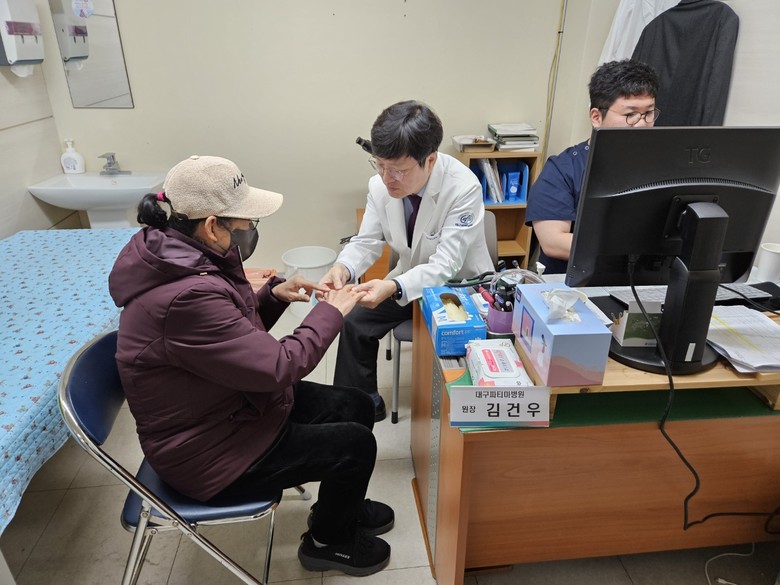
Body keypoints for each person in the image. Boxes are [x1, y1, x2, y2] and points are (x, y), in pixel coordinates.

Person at [108, 155, 393, 577]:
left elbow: (229, 338)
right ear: (211, 225)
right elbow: (279, 365)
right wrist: (331, 311)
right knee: (355, 446)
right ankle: (329, 542)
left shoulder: (184, 255)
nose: (250, 230)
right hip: (207, 453)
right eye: (246, 222)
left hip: (228, 407)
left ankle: (340, 510)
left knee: (356, 405)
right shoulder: (183, 295)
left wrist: (273, 296)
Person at [320, 100, 493, 421]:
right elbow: (367, 241)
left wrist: (393, 286)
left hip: (460, 287)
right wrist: (344, 268)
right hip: (408, 279)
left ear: (430, 160)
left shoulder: (463, 188)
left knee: (452, 350)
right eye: (380, 165)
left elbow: (445, 266)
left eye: (398, 170)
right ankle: (362, 404)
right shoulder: (379, 185)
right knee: (354, 320)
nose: (388, 178)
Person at [526, 59, 660, 274]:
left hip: (647, 281)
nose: (643, 123)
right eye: (630, 115)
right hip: (579, 284)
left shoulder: (661, 165)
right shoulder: (562, 170)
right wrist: (632, 249)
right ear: (596, 117)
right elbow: (554, 242)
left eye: (649, 113)